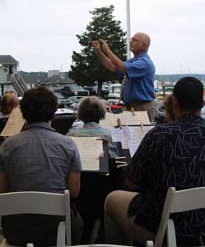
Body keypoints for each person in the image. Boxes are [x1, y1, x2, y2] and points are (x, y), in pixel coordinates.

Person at [104, 76, 205, 246]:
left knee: (112, 199)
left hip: (164, 226)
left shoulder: (159, 135)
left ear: (174, 102)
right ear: (202, 103)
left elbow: (131, 182)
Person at [0, 86, 83, 246]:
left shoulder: (7, 145)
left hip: (17, 232)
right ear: (53, 113)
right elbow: (73, 192)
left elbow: (3, 191)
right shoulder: (68, 144)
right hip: (57, 230)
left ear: (23, 113)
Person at [92, 32, 155, 121]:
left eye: (135, 40)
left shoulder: (144, 63)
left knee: (140, 134)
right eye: (131, 39)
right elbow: (113, 66)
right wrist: (99, 52)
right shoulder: (134, 61)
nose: (131, 41)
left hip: (141, 108)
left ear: (144, 46)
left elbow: (121, 67)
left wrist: (108, 51)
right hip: (133, 107)